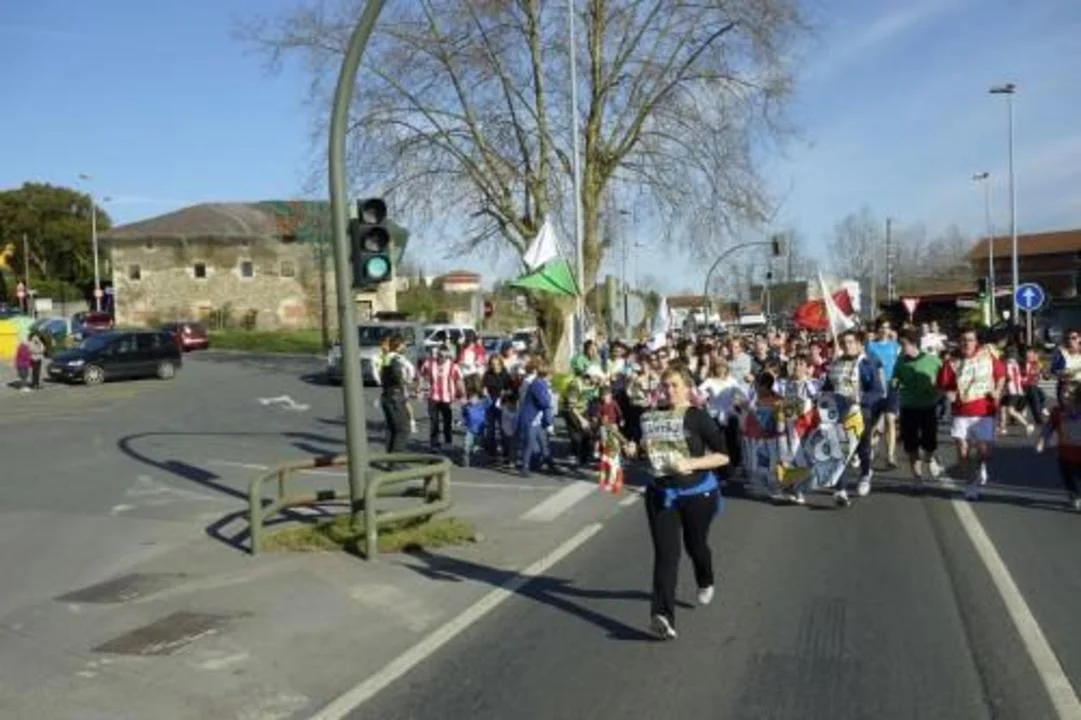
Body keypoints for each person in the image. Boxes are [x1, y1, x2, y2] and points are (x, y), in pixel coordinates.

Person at [626, 364, 728, 640]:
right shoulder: (652, 418)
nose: (669, 391)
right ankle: (662, 617)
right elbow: (647, 450)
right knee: (666, 555)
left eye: (675, 385)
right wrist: (634, 450)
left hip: (698, 494)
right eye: (665, 385)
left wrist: (691, 463)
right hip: (662, 494)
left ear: (687, 388)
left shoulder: (698, 418)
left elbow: (723, 455)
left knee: (696, 546)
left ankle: (705, 578)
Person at [938, 327, 1006, 501]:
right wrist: (948, 393)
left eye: (969, 340)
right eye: (962, 340)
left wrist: (998, 390)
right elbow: (944, 385)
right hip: (961, 411)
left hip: (984, 411)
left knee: (984, 452)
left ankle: (981, 466)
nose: (966, 343)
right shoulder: (952, 362)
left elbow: (1001, 375)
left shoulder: (987, 357)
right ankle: (971, 486)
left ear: (976, 342)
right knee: (962, 451)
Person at [821, 330, 883, 506]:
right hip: (838, 414)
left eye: (850, 342)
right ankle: (841, 489)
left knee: (863, 449)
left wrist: (861, 399)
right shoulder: (836, 364)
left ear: (858, 344)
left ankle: (865, 474)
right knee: (840, 450)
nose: (847, 346)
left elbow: (878, 391)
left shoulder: (866, 364)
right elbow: (828, 386)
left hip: (860, 412)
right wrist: (822, 397)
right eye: (844, 343)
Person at [892, 328, 943, 484]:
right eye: (900, 344)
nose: (902, 348)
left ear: (914, 344)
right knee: (911, 444)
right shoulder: (900, 361)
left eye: (904, 344)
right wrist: (894, 383)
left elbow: (944, 378)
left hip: (927, 406)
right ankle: (917, 477)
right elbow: (895, 378)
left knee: (929, 442)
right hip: (908, 406)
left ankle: (930, 458)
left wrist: (938, 391)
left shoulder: (932, 360)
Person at [1035, 382, 1081, 512]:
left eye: (1070, 393)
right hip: (1065, 454)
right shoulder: (1057, 412)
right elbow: (1048, 428)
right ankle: (1075, 496)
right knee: (1069, 477)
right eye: (1063, 392)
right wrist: (1041, 442)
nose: (1065, 395)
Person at [866, 321, 901, 468]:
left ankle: (890, 456)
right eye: (881, 327)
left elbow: (899, 363)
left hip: (891, 384)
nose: (884, 330)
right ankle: (869, 447)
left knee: (890, 420)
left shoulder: (895, 345)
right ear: (877, 329)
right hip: (876, 385)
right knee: (873, 422)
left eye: (887, 328)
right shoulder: (870, 345)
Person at [422, 345, 463, 451]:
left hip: (447, 398)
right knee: (434, 421)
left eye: (446, 356)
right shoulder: (429, 364)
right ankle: (434, 444)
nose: (443, 358)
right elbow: (422, 375)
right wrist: (421, 388)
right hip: (433, 397)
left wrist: (462, 395)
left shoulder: (453, 366)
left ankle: (448, 442)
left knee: (447, 421)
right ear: (437, 355)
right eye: (441, 355)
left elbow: (458, 381)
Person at [379, 335, 413, 453]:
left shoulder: (385, 357)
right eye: (404, 345)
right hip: (395, 396)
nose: (405, 347)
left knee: (391, 428)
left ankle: (390, 457)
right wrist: (405, 383)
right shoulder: (396, 359)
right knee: (403, 429)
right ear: (399, 345)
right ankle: (396, 458)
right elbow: (398, 375)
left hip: (387, 395)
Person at [460, 391, 487, 467]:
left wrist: (486, 395)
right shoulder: (467, 407)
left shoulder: (482, 405)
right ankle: (465, 461)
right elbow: (464, 414)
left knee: (477, 448)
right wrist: (463, 405)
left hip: (480, 431)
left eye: (475, 399)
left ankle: (478, 462)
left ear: (478, 399)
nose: (473, 400)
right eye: (471, 399)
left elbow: (489, 402)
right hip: (470, 430)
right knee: (466, 446)